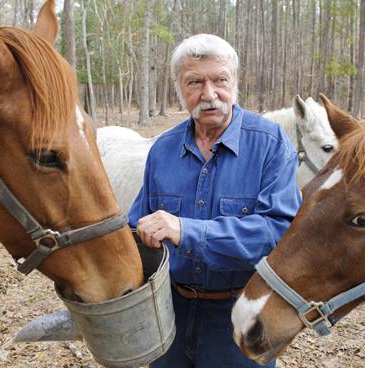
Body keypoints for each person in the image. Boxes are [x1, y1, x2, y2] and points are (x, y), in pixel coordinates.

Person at [128, 33, 301, 368]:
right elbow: (137, 224)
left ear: (234, 82)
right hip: (168, 312)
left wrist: (186, 231)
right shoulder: (163, 150)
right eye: (194, 82)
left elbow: (277, 232)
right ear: (179, 88)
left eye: (219, 80)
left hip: (242, 314)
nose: (209, 94)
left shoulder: (269, 144)